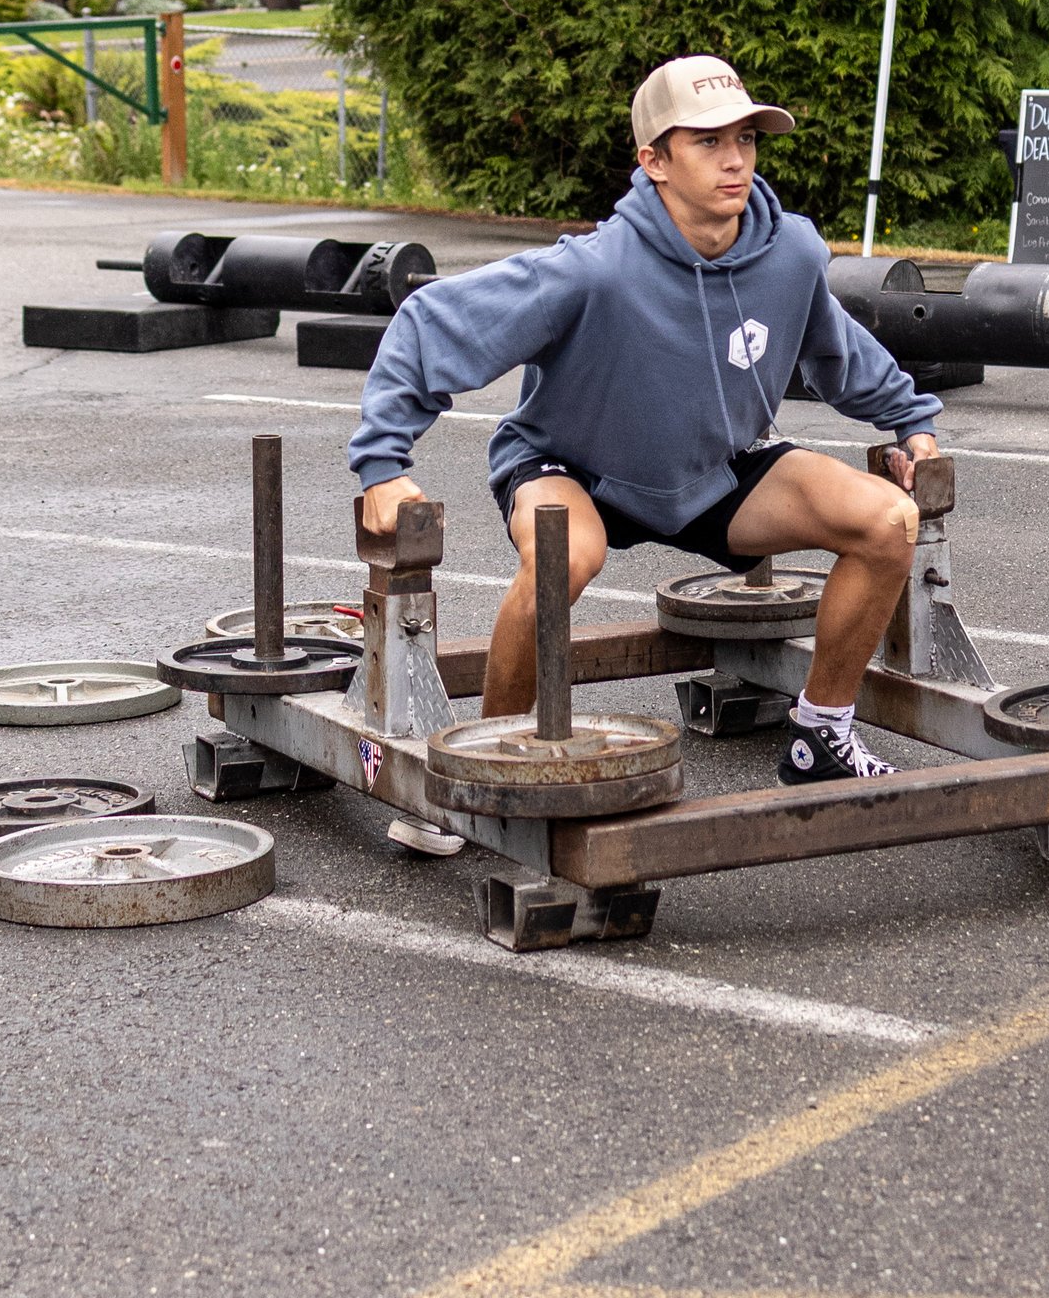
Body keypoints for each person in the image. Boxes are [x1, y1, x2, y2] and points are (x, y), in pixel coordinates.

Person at [351, 52, 943, 797]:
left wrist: (911, 422)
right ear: (654, 160)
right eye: (708, 142)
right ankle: (483, 766)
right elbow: (430, 324)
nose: (735, 161)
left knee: (888, 519)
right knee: (566, 559)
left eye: (747, 140)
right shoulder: (596, 270)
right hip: (572, 470)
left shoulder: (789, 251)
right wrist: (382, 465)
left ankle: (822, 733)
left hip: (711, 472)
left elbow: (836, 349)